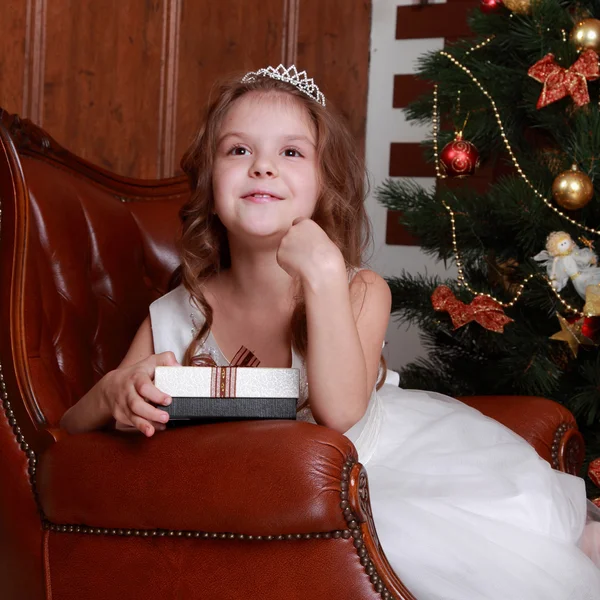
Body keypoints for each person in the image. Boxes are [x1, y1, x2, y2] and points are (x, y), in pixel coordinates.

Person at [60, 65, 600, 599]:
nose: (263, 168)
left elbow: (339, 415)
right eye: (238, 150)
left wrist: (321, 275)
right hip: (260, 496)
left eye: (290, 153)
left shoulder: (360, 291)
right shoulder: (175, 313)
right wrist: (114, 393)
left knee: (526, 554)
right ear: (207, 179)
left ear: (323, 184)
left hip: (386, 472)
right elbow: (70, 430)